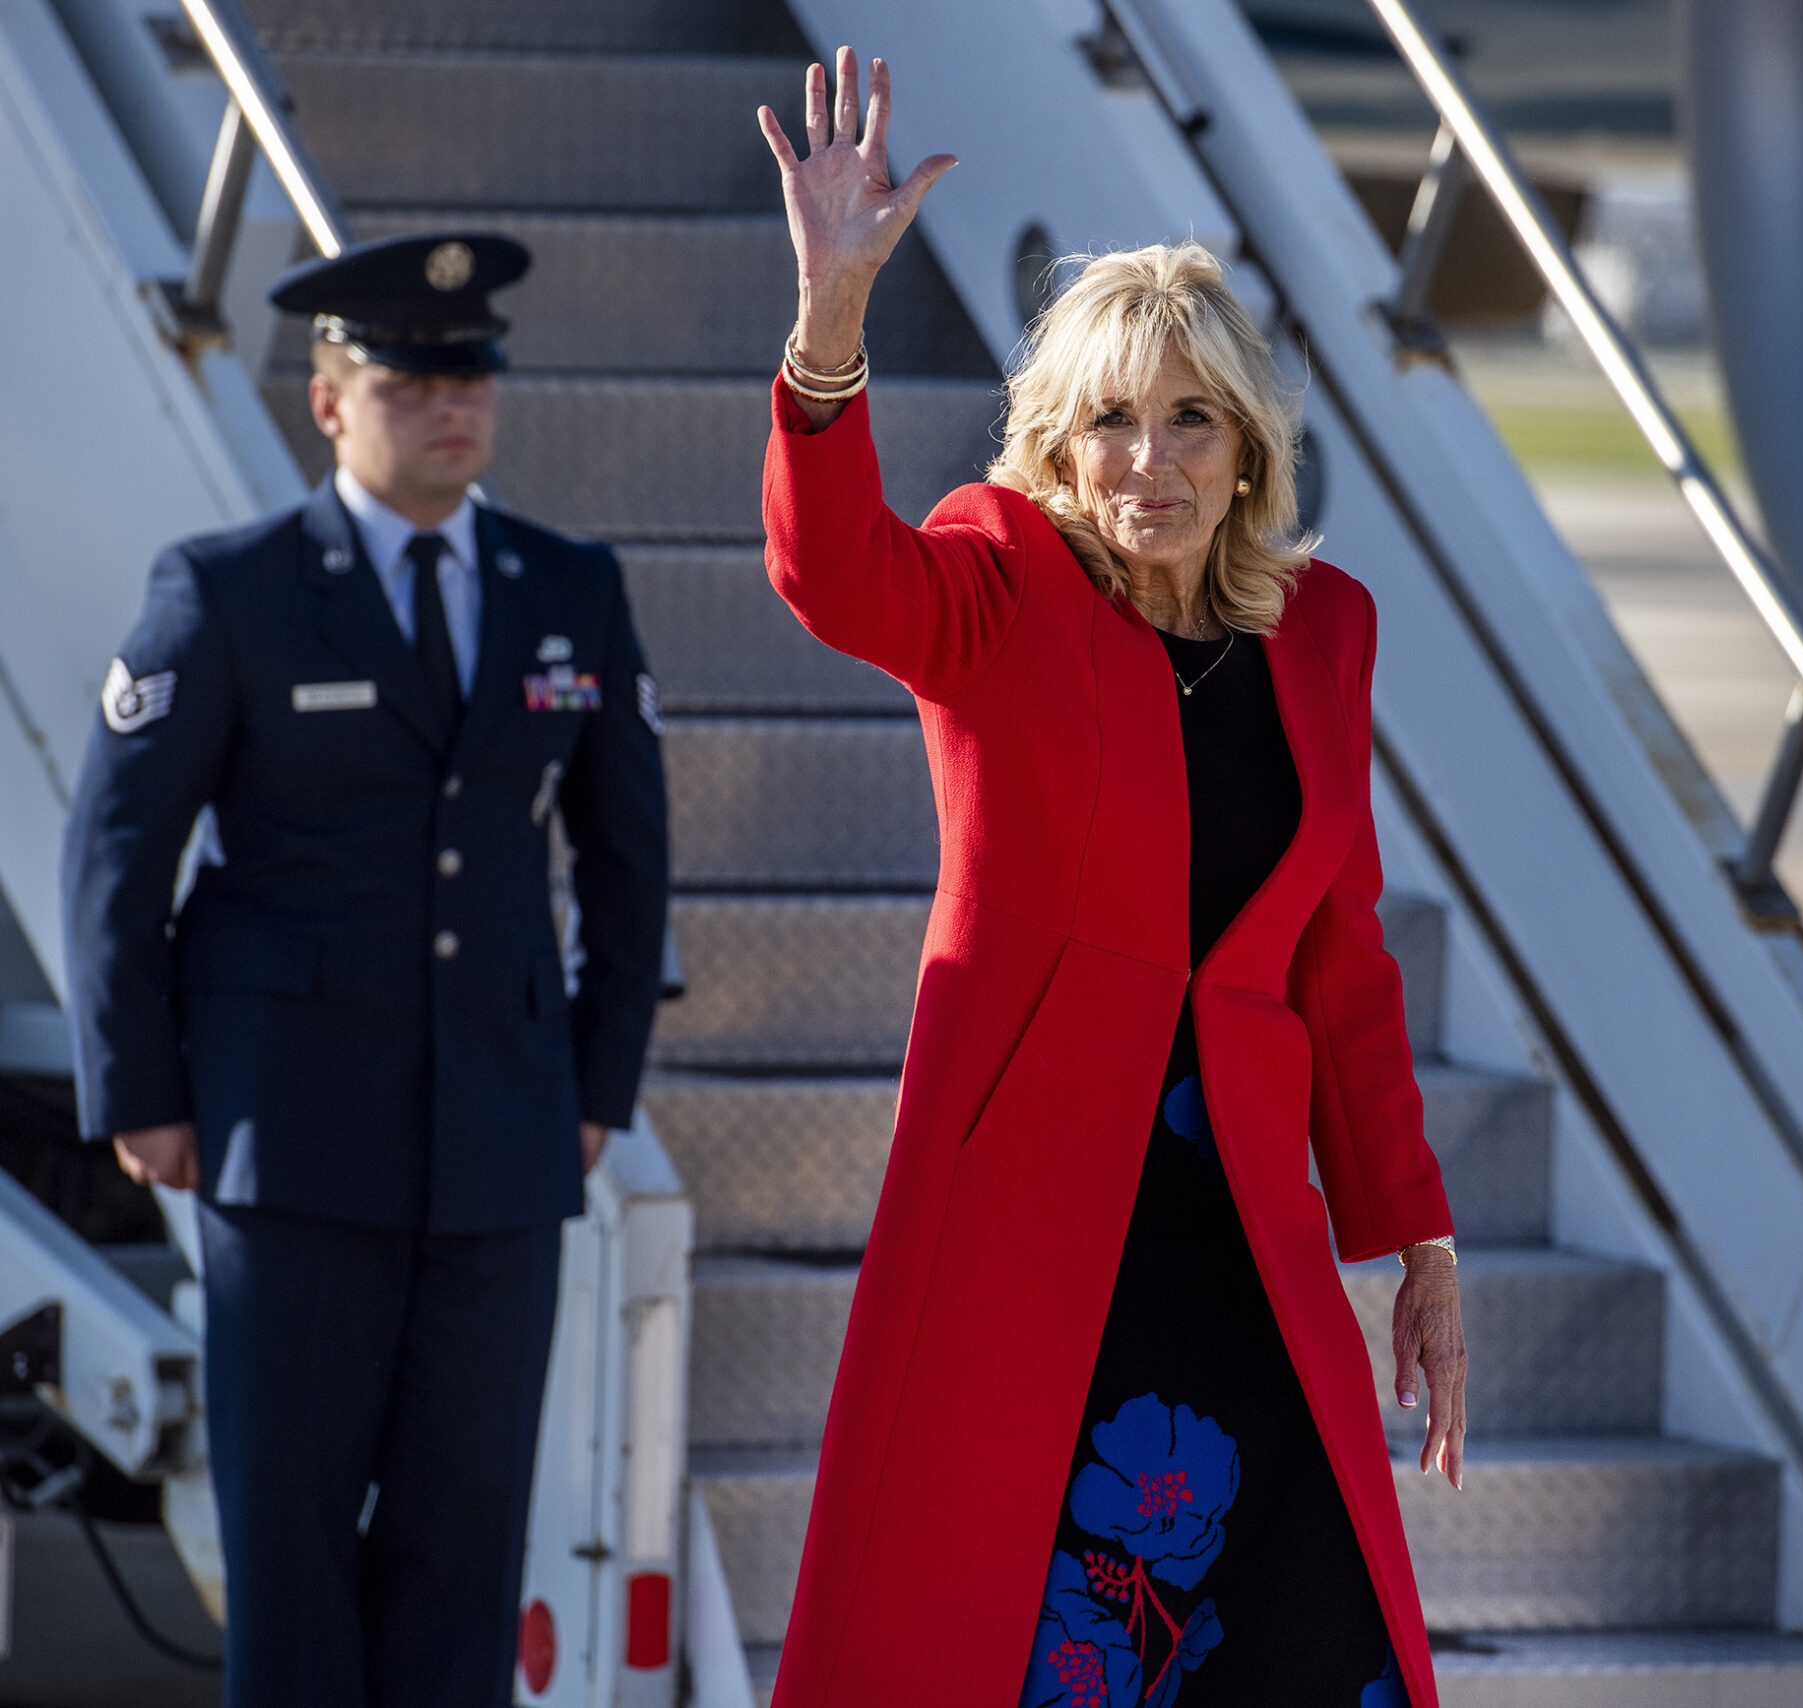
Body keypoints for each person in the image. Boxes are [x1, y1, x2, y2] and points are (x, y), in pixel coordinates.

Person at [752, 52, 1466, 1707]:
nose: (1152, 459)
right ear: (1058, 448)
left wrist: (1416, 1239)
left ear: (1246, 444)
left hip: (1249, 1243)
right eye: (1112, 423)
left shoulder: (1325, 631)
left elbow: (1341, 959)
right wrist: (829, 332)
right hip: (1045, 1241)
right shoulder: (999, 578)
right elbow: (834, 576)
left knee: (1309, 1639)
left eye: (1191, 418)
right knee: (1034, 1651)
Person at [59, 232, 670, 1708]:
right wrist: (141, 1096)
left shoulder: (566, 589)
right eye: (410, 380)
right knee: (295, 1566)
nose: (452, 405)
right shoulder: (233, 589)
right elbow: (115, 861)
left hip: (502, 1152)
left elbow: (629, 856)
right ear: (331, 403)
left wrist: (595, 1085)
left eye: (472, 376)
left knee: (463, 1560)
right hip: (292, 1145)